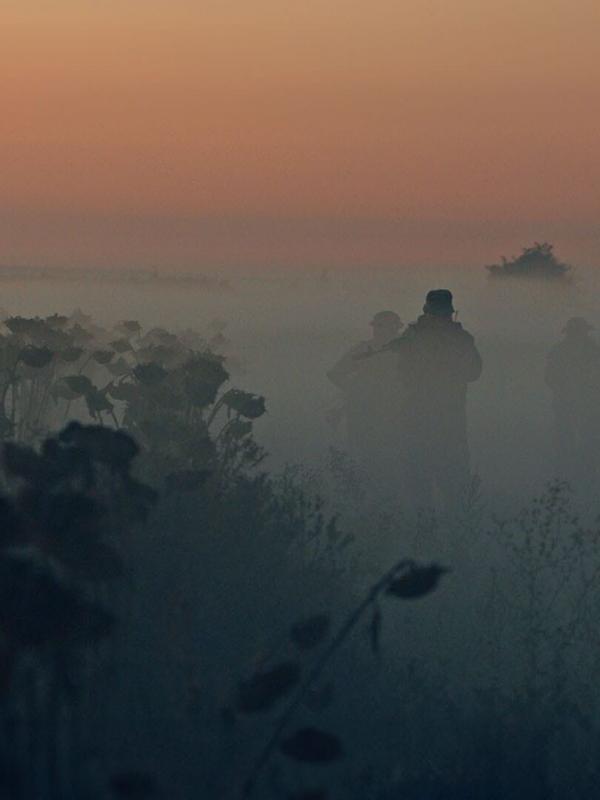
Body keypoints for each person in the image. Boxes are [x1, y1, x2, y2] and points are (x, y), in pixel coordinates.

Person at [389, 290, 482, 511]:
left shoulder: (413, 337)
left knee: (429, 481)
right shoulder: (459, 339)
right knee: (443, 481)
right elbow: (474, 372)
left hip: (427, 417)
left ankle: (435, 529)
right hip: (442, 418)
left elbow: (402, 374)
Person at [327, 311, 404, 485]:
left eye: (385, 327)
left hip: (394, 415)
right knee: (367, 459)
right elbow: (336, 373)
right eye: (379, 326)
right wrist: (356, 391)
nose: (381, 331)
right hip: (365, 413)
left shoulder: (403, 352)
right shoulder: (364, 349)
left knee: (389, 462)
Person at [545, 317, 600, 484]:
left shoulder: (593, 352)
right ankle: (570, 474)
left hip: (583, 403)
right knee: (568, 438)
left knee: (585, 439)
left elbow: (550, 378)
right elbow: (551, 378)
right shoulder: (590, 351)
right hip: (569, 403)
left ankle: (579, 474)